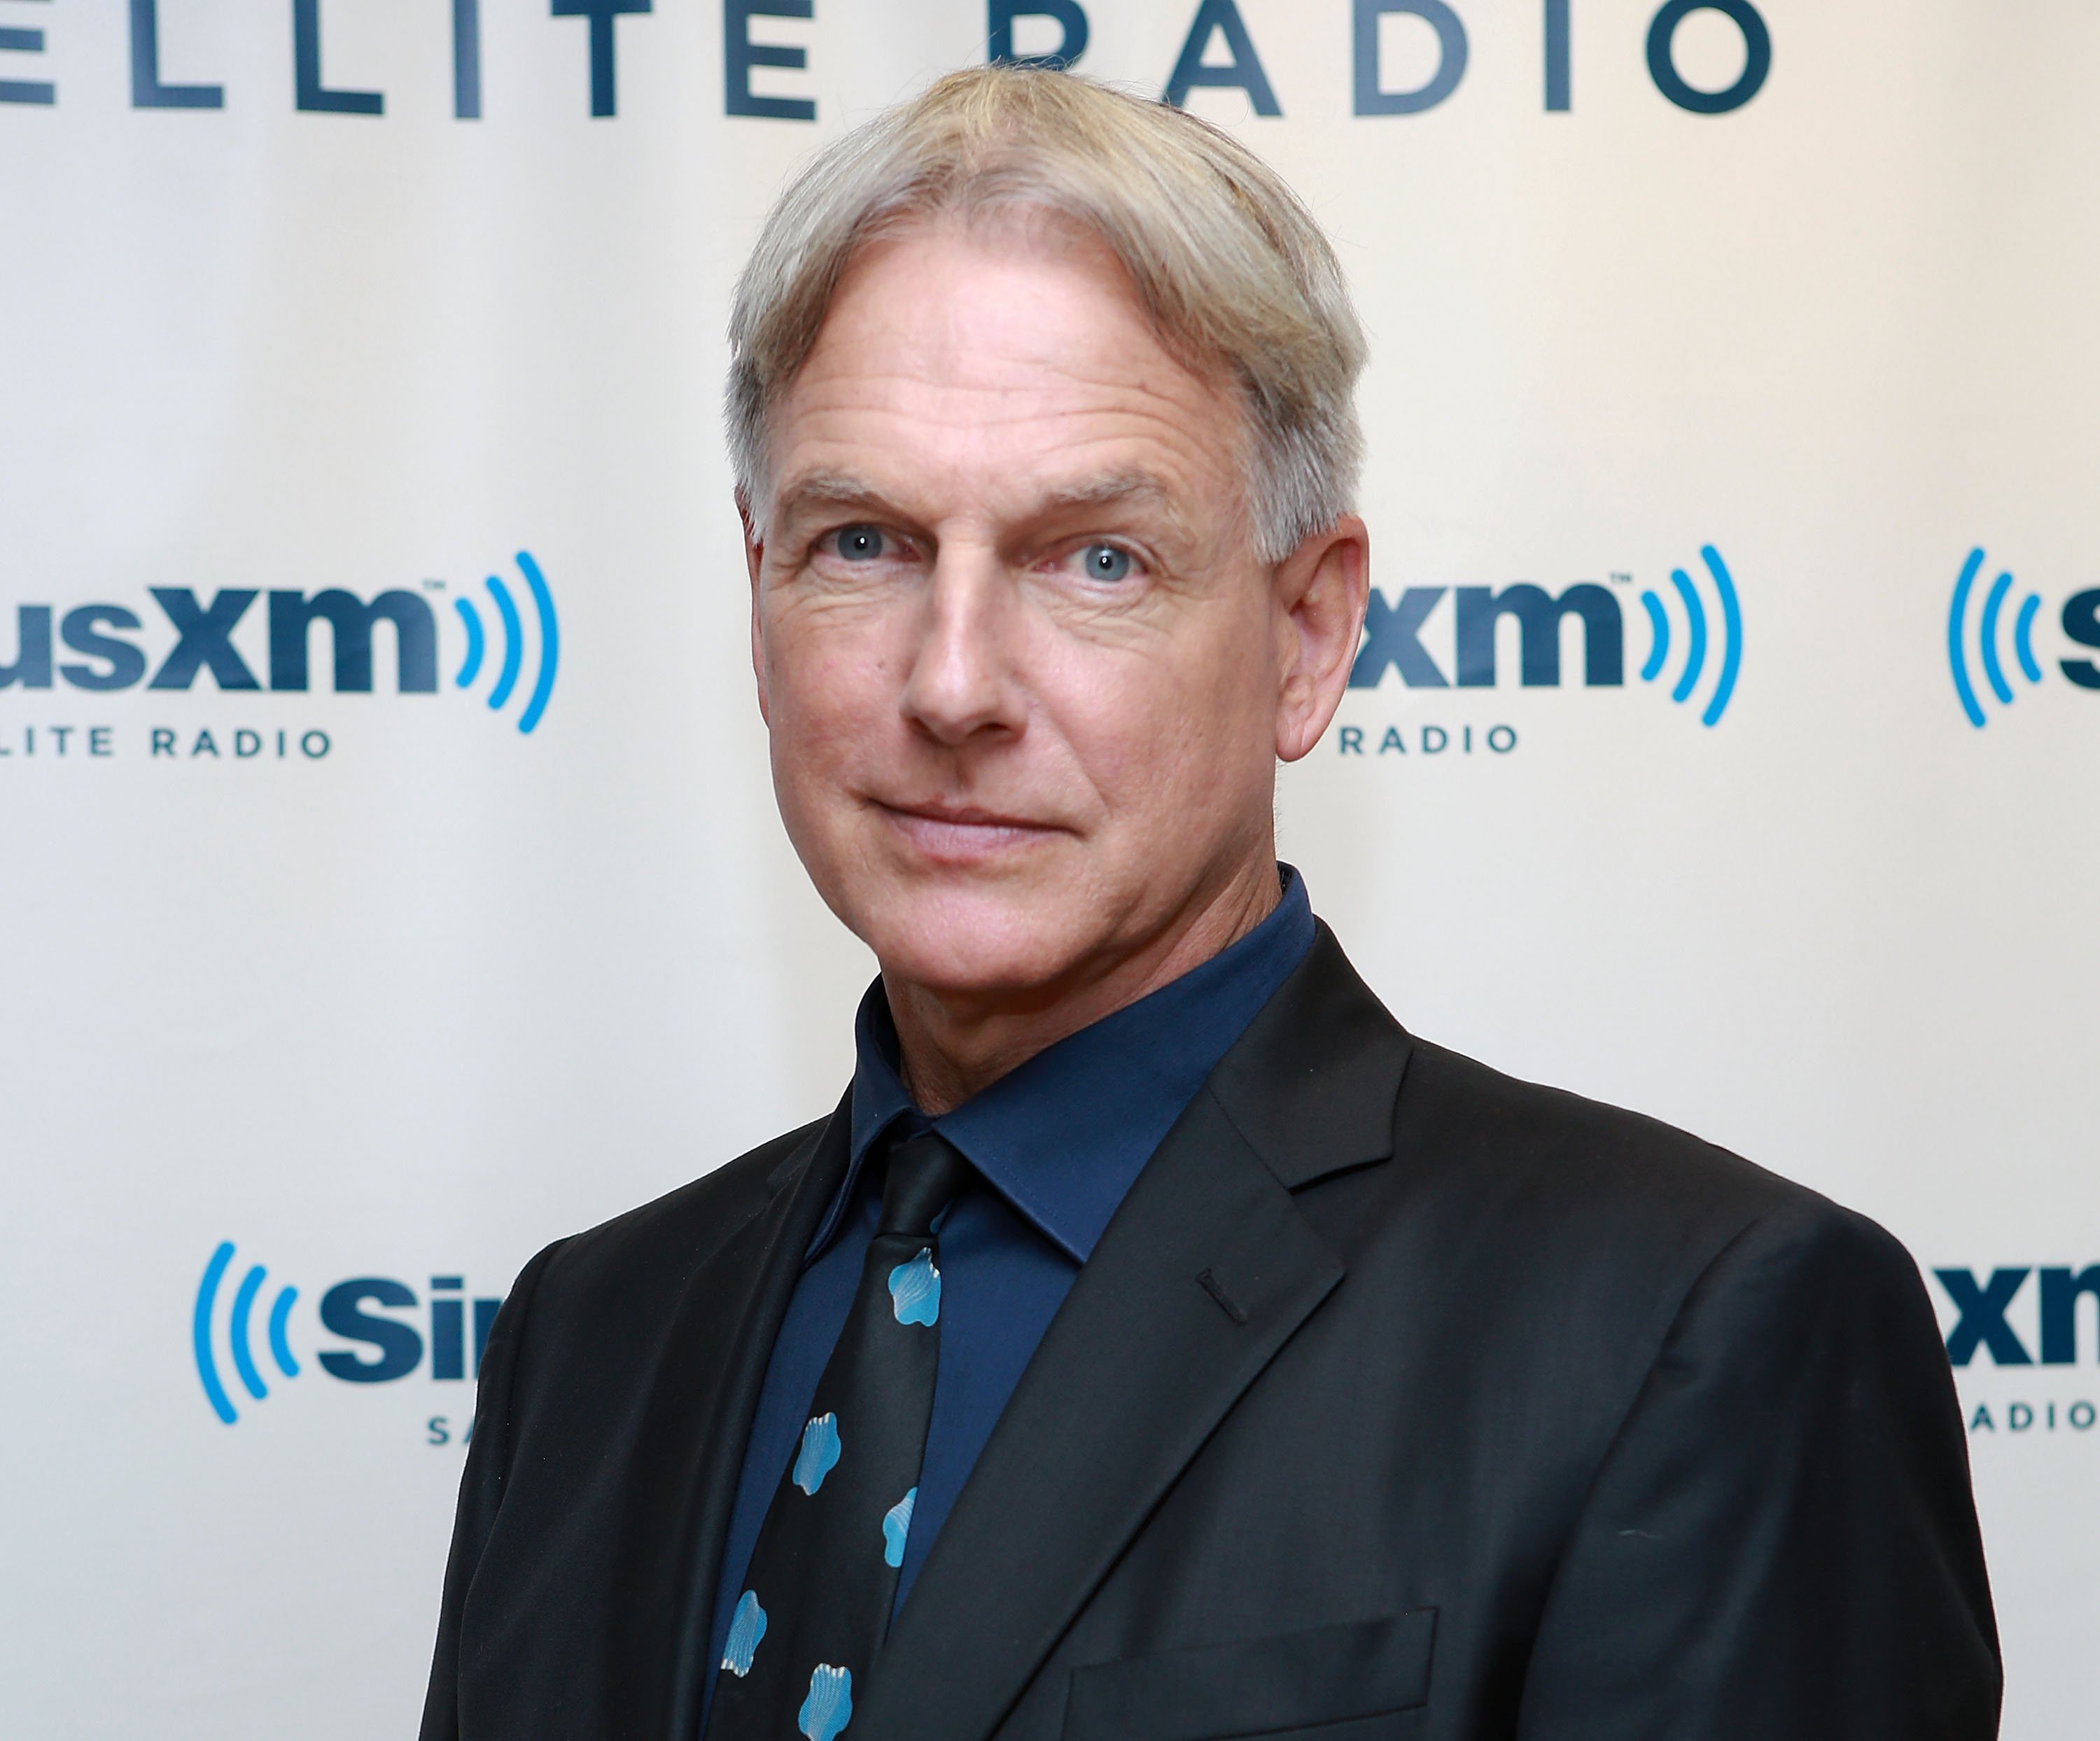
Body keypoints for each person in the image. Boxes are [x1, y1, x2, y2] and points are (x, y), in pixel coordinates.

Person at [420, 66, 1998, 1741]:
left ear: (1309, 640)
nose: (953, 683)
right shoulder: (586, 1341)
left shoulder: (1687, 1333)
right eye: (866, 542)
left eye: (1096, 557)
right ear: (760, 597)